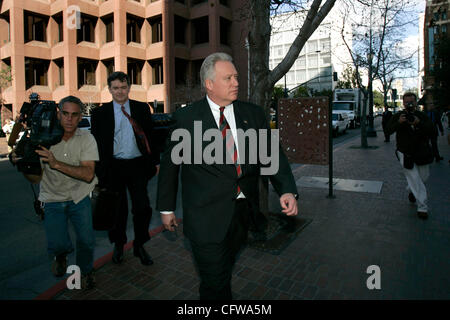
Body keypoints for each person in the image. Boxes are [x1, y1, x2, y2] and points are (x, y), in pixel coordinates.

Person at [156, 52, 299, 300]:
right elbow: (170, 166)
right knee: (216, 282)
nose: (236, 82)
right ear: (209, 84)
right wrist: (166, 208)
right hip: (204, 218)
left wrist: (286, 189)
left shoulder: (253, 114)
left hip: (241, 215)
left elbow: (271, 154)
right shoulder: (186, 118)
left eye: (236, 76)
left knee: (222, 272)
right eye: (228, 78)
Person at [11, 96, 98, 288]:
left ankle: (86, 270)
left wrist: (55, 163)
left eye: (74, 115)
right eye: (65, 113)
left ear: (80, 117)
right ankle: (61, 255)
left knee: (86, 241)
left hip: (79, 196)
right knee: (57, 243)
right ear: (58, 113)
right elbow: (35, 179)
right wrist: (27, 165)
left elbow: (88, 174)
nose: (69, 119)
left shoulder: (87, 138)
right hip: (52, 198)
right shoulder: (41, 138)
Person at [90, 71, 160, 266]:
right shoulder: (99, 114)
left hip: (137, 165)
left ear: (129, 87)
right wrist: (99, 171)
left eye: (123, 87)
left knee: (142, 207)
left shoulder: (141, 109)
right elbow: (95, 144)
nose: (120, 91)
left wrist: (155, 162)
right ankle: (119, 245)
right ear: (109, 89)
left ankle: (140, 245)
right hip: (113, 167)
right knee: (117, 211)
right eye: (115, 88)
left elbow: (150, 137)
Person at [386, 92, 435, 220]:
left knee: (423, 177)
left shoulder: (421, 116)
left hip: (421, 152)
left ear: (415, 102)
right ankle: (422, 207)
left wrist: (418, 123)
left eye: (411, 102)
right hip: (405, 152)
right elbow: (388, 130)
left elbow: (432, 131)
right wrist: (399, 123)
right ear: (403, 103)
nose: (409, 104)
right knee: (414, 178)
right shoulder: (398, 116)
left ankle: (412, 191)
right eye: (407, 102)